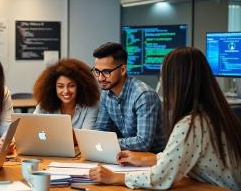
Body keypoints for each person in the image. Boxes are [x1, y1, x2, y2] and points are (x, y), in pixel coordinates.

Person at [89, 47, 241, 190]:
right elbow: (183, 153)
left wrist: (115, 177)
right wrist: (149, 159)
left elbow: (160, 178)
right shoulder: (212, 115)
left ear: (177, 81)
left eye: (163, 77)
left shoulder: (191, 124)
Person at [92, 42, 166, 153]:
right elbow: (101, 129)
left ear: (122, 70)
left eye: (106, 72)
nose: (100, 78)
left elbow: (143, 143)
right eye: (97, 71)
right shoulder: (106, 93)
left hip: (153, 158)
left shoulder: (144, 95)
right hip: (127, 155)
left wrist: (108, 143)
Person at [32, 58, 100, 129]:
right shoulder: (44, 106)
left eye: (71, 85)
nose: (66, 91)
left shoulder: (91, 107)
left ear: (80, 86)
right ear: (53, 88)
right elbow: (32, 128)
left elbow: (87, 136)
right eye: (60, 86)